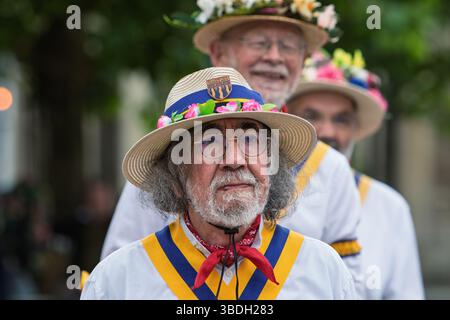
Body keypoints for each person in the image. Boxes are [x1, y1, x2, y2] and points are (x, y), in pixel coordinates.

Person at [101, 0, 363, 289]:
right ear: (218, 51)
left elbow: (349, 284)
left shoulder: (332, 177)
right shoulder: (163, 160)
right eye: (258, 42)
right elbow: (128, 278)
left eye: (288, 46)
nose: (274, 56)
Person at [81, 67, 357, 300]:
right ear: (174, 178)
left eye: (250, 138)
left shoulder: (324, 270)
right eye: (209, 142)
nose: (235, 160)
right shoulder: (117, 281)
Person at [287, 48, 424, 299]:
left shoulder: (389, 206)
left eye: (341, 120)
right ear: (288, 121)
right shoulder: (263, 199)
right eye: (311, 116)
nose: (327, 131)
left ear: (356, 128)